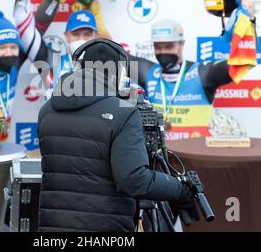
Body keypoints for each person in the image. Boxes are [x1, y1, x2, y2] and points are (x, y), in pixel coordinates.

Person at [36, 39, 198, 232]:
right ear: (119, 74)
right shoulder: (124, 113)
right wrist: (179, 189)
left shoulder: (47, 110)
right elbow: (135, 180)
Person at [126, 0, 258, 139]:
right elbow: (110, 54)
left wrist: (248, 19)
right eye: (158, 47)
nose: (163, 52)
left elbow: (241, 62)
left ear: (182, 44)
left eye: (169, 46)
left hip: (197, 158)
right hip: (162, 159)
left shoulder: (202, 74)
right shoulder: (148, 72)